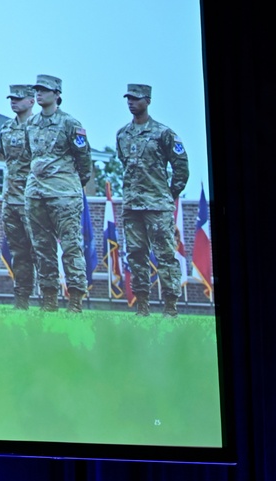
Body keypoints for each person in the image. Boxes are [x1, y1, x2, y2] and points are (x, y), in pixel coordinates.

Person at [116, 84, 190, 317]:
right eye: (128, 98)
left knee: (165, 255)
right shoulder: (122, 134)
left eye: (136, 99)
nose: (131, 102)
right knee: (136, 255)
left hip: (158, 206)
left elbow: (181, 167)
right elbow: (124, 164)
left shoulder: (163, 133)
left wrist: (169, 194)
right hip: (132, 206)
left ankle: (170, 306)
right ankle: (142, 305)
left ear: (147, 101)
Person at [24, 74, 92, 312]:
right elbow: (28, 156)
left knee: (71, 246)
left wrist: (70, 185)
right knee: (42, 248)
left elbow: (84, 161)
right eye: (37, 90)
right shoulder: (31, 124)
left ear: (57, 94)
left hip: (64, 194)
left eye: (44, 90)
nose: (39, 93)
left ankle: (75, 298)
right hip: (36, 193)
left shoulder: (70, 124)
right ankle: (49, 297)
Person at [0, 84, 37, 308]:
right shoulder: (6, 128)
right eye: (11, 98)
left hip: (33, 198)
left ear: (31, 101)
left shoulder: (40, 128)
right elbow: (6, 158)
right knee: (18, 252)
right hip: (10, 198)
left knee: (40, 250)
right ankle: (21, 299)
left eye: (19, 99)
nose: (14, 102)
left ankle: (49, 297)